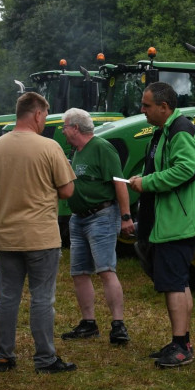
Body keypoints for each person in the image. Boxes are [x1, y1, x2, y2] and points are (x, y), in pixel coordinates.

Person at [0, 92, 78, 374]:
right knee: (41, 298)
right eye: (45, 116)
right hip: (40, 237)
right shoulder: (49, 147)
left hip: (6, 236)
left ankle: (3, 356)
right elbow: (67, 190)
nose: (45, 121)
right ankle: (45, 359)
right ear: (37, 114)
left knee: (8, 297)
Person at [129, 82, 195, 368]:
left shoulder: (180, 130)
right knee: (178, 282)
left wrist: (147, 183)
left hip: (178, 222)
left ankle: (181, 347)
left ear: (163, 107)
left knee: (173, 285)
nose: (142, 111)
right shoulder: (163, 132)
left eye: (146, 106)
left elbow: (185, 169)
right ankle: (182, 340)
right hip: (171, 220)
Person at [59, 107, 137, 344]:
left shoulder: (102, 147)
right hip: (79, 218)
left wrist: (126, 217)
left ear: (75, 128)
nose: (62, 130)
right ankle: (89, 323)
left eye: (64, 126)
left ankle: (118, 325)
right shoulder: (77, 151)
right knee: (79, 272)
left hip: (101, 215)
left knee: (105, 270)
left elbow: (119, 183)